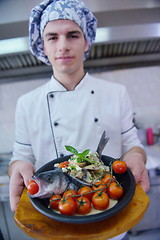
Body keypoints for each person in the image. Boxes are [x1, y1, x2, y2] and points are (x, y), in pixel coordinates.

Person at [8, 0, 150, 239]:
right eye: (52, 37)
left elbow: (131, 143)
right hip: (56, 217)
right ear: (42, 45)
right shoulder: (27, 103)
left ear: (86, 42)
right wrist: (17, 168)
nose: (63, 45)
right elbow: (20, 156)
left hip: (109, 218)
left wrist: (136, 156)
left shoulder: (116, 93)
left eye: (72, 35)